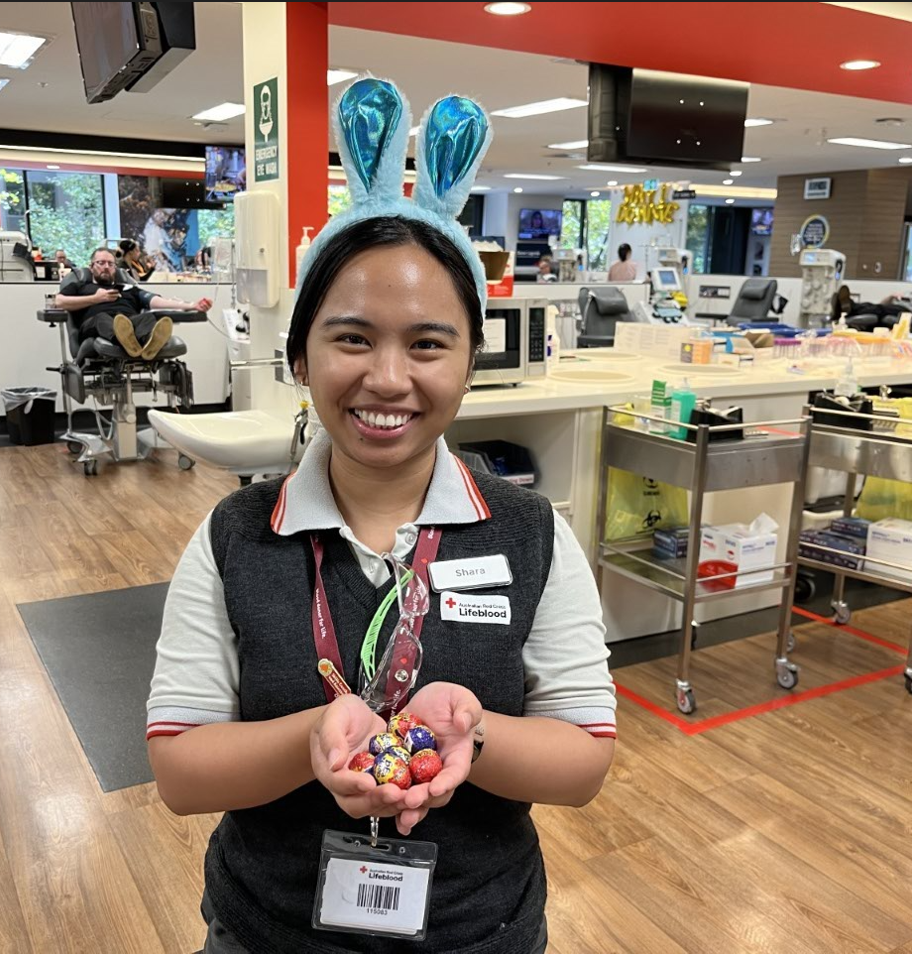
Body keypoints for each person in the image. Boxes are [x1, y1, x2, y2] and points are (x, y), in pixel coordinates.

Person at [147, 77, 615, 954]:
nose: (389, 379)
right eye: (352, 337)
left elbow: (583, 759)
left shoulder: (530, 533)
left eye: (428, 343)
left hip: (479, 930)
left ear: (471, 360)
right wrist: (313, 740)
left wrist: (471, 727)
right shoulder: (235, 537)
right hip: (270, 931)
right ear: (299, 354)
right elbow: (179, 769)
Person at [55, 247, 212, 360]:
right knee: (103, 318)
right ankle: (125, 340)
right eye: (101, 263)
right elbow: (59, 301)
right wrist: (96, 299)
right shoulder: (81, 285)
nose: (106, 267)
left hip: (128, 323)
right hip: (96, 324)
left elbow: (156, 301)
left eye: (110, 264)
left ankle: (147, 343)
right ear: (91, 266)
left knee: (148, 318)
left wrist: (192, 305)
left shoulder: (127, 288)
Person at [837, 268, 912, 329]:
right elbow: (882, 303)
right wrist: (891, 296)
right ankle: (848, 306)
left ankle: (848, 308)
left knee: (880, 310)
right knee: (875, 307)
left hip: (909, 315)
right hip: (895, 308)